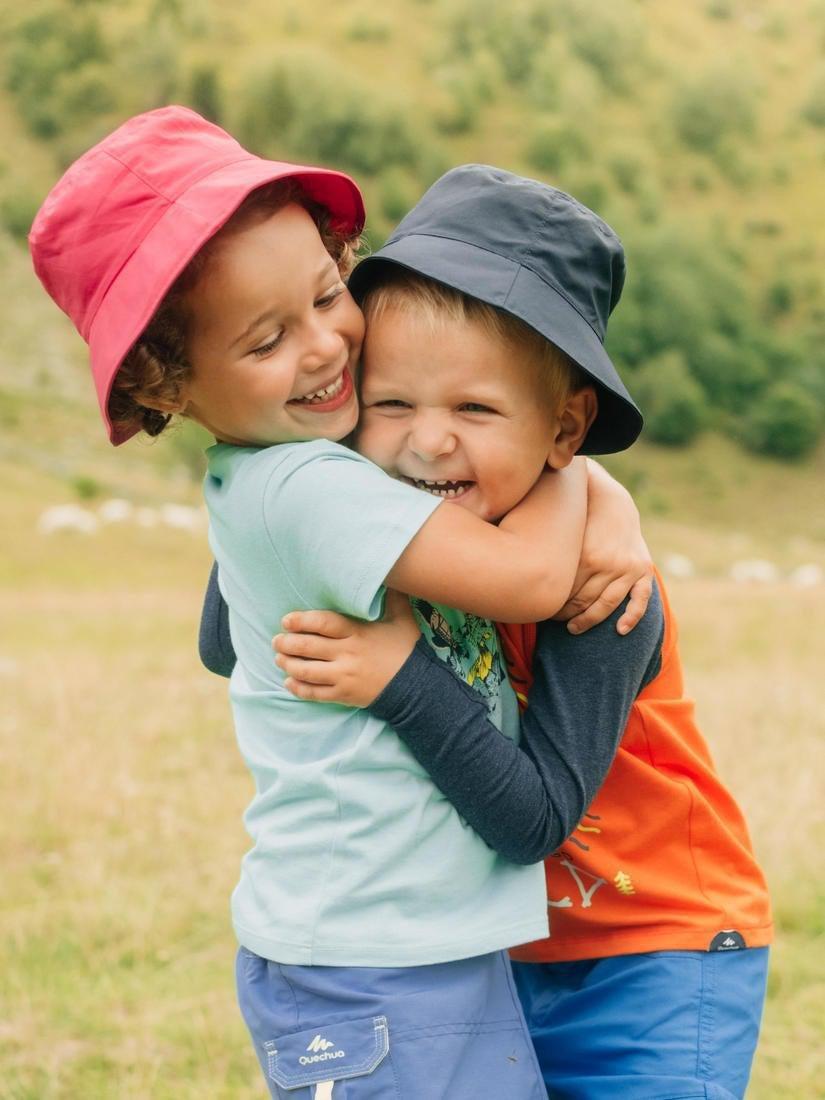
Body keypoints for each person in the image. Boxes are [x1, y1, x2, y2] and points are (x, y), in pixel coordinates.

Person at [30, 109, 653, 1100]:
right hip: (370, 956)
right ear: (168, 382)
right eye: (268, 337)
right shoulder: (310, 488)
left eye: (327, 295)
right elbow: (533, 581)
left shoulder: (293, 464)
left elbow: (219, 640)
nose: (327, 348)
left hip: (416, 939)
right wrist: (582, 478)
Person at [206, 166, 773, 1099]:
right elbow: (228, 635)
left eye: (474, 410)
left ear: (564, 426)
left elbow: (534, 818)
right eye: (390, 404)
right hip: (491, 946)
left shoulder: (598, 589)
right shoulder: (397, 540)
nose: (426, 444)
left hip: (654, 945)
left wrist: (400, 677)